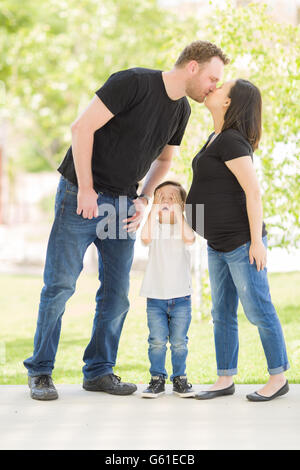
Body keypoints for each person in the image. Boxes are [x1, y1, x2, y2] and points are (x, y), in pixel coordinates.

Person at [23, 40, 229, 401]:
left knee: (116, 295)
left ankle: (99, 372)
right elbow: (81, 129)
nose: (214, 86)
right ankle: (40, 371)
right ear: (192, 67)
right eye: (212, 78)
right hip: (79, 196)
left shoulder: (181, 111)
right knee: (59, 287)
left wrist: (145, 197)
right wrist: (86, 189)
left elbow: (164, 162)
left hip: (123, 205)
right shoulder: (131, 82)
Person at [186, 78, 290, 402]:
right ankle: (224, 378)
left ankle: (278, 377)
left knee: (258, 309)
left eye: (220, 89)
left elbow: (252, 191)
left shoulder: (232, 141)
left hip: (242, 244)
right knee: (222, 313)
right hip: (217, 244)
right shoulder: (214, 138)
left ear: (229, 103)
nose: (212, 89)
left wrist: (257, 243)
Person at [140, 181, 196, 398]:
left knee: (179, 342)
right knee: (156, 341)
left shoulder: (184, 226)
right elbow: (145, 238)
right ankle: (157, 379)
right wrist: (154, 208)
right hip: (155, 297)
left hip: (181, 297)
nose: (166, 199)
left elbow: (189, 238)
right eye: (161, 196)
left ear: (182, 204)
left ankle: (180, 379)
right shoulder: (153, 226)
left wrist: (178, 212)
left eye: (172, 197)